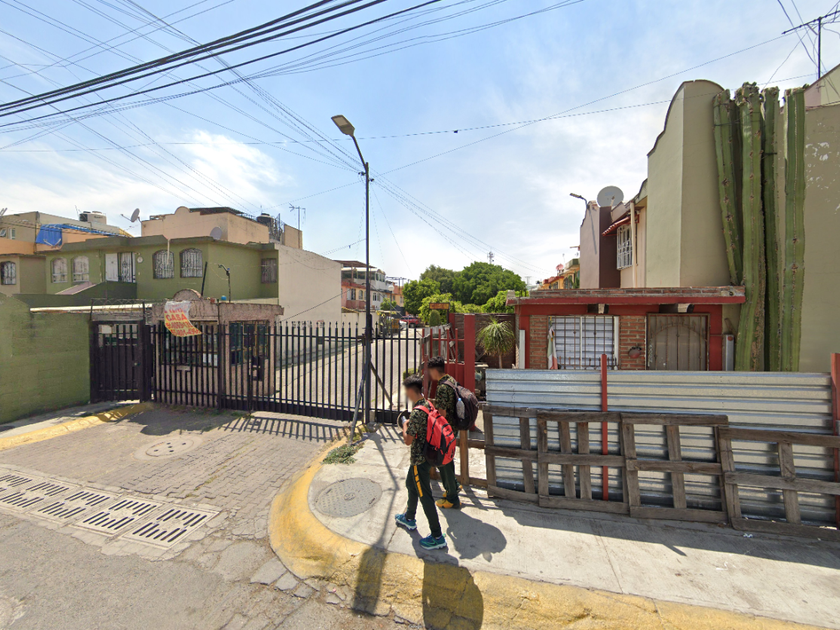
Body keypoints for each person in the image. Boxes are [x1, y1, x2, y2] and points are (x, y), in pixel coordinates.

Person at [394, 375, 447, 550]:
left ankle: (437, 536)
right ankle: (409, 517)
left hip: (419, 460)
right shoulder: (427, 404)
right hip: (428, 455)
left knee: (425, 496)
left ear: (411, 391)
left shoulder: (417, 412)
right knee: (411, 484)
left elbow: (408, 440)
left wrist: (404, 425)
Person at [428, 356, 461, 509]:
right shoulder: (451, 380)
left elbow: (442, 413)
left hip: (445, 431)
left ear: (435, 370)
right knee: (449, 458)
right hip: (454, 428)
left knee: (443, 461)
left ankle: (452, 498)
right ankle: (454, 485)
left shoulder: (442, 388)